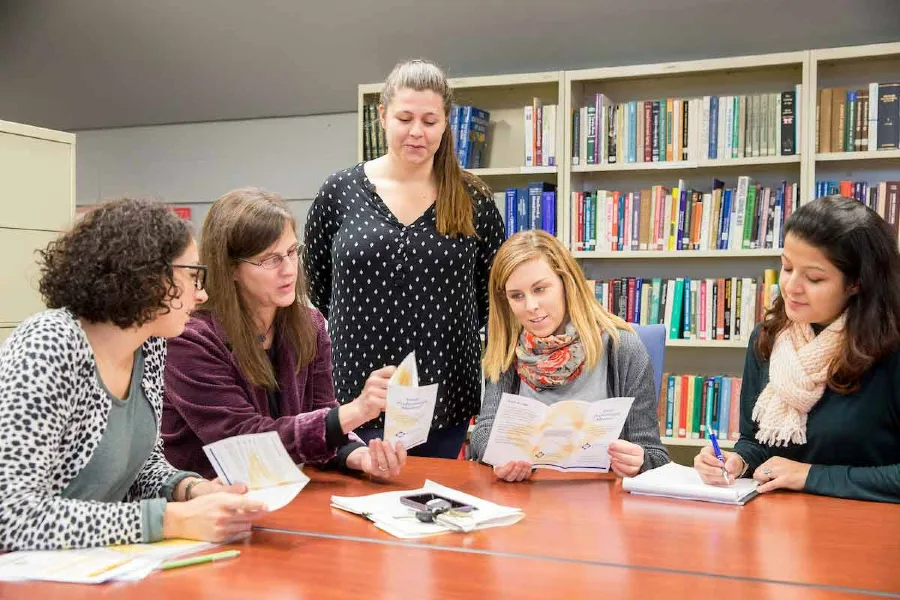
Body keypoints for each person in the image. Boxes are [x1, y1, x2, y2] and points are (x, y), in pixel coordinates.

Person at [0, 199, 266, 552]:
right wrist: (170, 520)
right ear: (147, 277)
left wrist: (191, 489)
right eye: (192, 276)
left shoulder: (150, 344)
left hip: (95, 564)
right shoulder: (48, 345)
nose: (201, 294)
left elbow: (139, 467)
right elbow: (11, 518)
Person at [303, 58, 505, 459]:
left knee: (433, 512)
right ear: (382, 116)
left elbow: (492, 296)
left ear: (446, 122)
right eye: (405, 118)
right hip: (353, 393)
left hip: (445, 395)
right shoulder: (339, 191)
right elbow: (320, 285)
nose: (417, 132)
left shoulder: (473, 199)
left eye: (430, 121)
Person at [163, 188, 406, 480]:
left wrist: (359, 456)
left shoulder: (309, 324)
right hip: (211, 503)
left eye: (292, 252)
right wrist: (356, 411)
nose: (289, 269)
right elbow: (244, 441)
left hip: (283, 492)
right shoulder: (190, 339)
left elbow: (322, 415)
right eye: (270, 259)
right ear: (230, 269)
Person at [695, 195, 900, 503]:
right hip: (780, 526)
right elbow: (757, 441)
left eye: (814, 278)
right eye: (787, 267)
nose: (791, 287)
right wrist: (737, 461)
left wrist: (809, 475)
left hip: (865, 530)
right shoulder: (768, 337)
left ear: (857, 282)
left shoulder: (891, 350)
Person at [470, 230, 670, 481]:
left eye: (540, 289)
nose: (531, 306)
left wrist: (638, 460)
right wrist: (499, 454)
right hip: (526, 498)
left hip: (599, 504)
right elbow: (483, 431)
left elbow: (655, 455)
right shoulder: (509, 347)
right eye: (517, 296)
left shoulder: (622, 348)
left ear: (566, 283)